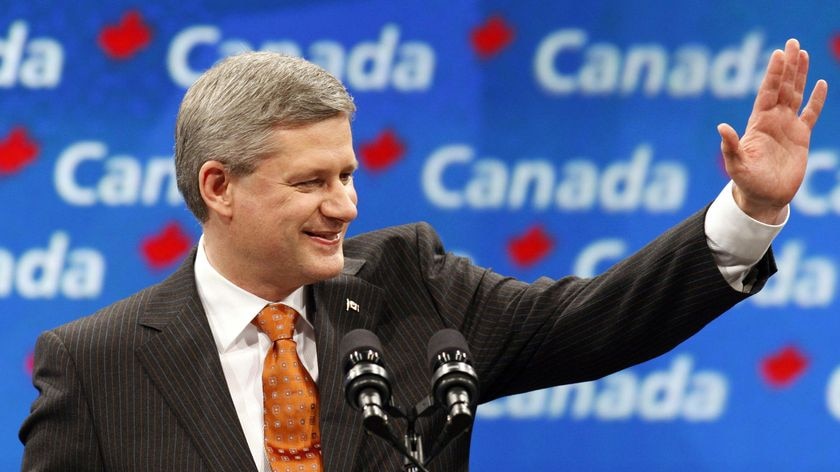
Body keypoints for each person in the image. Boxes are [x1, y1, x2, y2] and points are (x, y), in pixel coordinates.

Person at [20, 38, 827, 471]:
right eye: (311, 182)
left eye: (347, 173)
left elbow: (592, 323)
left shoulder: (414, 287)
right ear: (219, 186)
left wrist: (751, 210)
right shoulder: (97, 364)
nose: (345, 204)